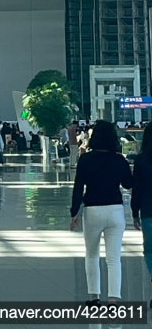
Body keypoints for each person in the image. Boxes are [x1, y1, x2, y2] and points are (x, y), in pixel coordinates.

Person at [70, 119, 133, 306]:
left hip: (93, 210)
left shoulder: (85, 159)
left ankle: (94, 297)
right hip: (115, 210)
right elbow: (128, 184)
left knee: (92, 254)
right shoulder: (119, 159)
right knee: (114, 259)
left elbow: (78, 188)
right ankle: (113, 300)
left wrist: (74, 212)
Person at [132, 125, 152, 306]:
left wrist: (134, 212)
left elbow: (136, 189)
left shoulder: (141, 160)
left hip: (148, 212)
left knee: (150, 251)